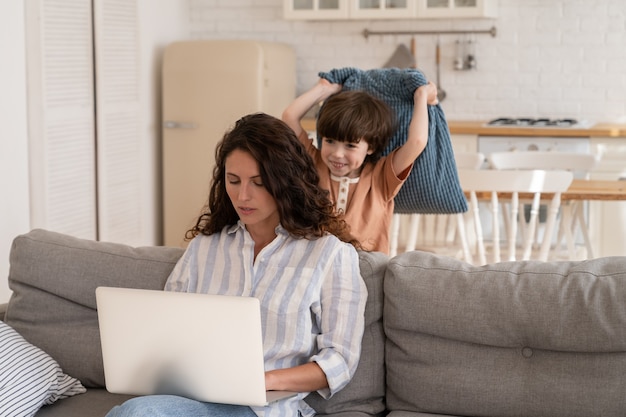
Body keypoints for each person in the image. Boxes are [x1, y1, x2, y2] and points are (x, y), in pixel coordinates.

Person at [105, 113, 367, 417]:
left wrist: (261, 381)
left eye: (258, 183)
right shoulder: (204, 249)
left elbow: (340, 361)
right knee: (135, 412)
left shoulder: (330, 255)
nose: (243, 196)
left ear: (286, 183)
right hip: (192, 399)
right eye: (234, 181)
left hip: (266, 410)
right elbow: (168, 336)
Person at [282, 78, 439, 254]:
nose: (337, 153)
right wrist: (323, 89)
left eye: (350, 145)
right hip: (317, 264)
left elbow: (417, 142)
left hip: (365, 271)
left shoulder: (381, 178)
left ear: (370, 147)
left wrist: (420, 96)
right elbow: (289, 117)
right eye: (330, 141)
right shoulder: (313, 162)